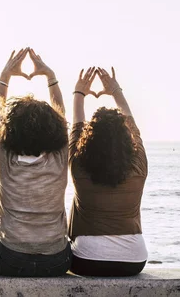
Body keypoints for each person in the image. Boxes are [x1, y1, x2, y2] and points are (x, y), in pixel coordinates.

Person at [0, 48, 72, 277]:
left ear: (10, 129)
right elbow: (62, 118)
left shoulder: (5, 156)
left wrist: (5, 76)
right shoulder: (58, 158)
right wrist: (50, 76)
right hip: (56, 260)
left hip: (10, 259)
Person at [68, 67, 148, 276]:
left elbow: (76, 127)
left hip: (86, 260)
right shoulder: (138, 166)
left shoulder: (78, 166)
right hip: (133, 260)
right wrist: (115, 91)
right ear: (125, 138)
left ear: (89, 138)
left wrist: (79, 93)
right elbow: (134, 129)